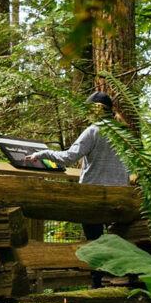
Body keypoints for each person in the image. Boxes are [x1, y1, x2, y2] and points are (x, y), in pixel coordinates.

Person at [30, 91, 130, 271]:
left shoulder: (95, 130)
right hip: (121, 198)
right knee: (119, 246)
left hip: (94, 198)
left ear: (96, 109)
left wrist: (42, 153)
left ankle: (98, 286)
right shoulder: (123, 133)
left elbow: (69, 157)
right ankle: (118, 283)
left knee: (95, 247)